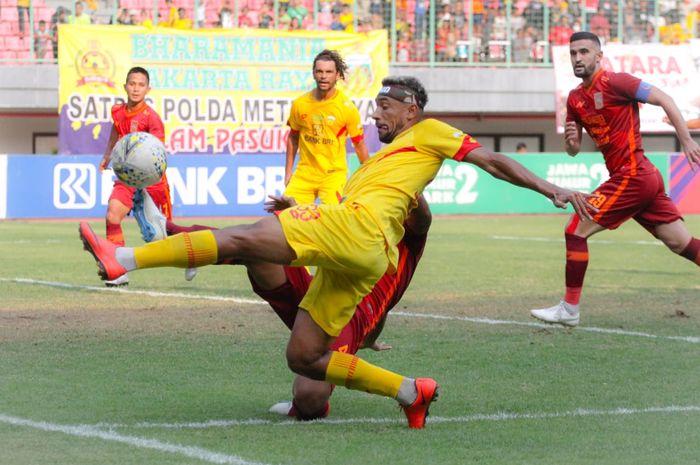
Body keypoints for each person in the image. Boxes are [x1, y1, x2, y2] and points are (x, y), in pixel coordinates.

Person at [79, 75, 592, 429]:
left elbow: (492, 161)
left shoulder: (431, 132)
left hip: (359, 233)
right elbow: (383, 205)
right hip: (358, 252)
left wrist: (551, 189)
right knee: (302, 356)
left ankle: (121, 260)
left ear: (411, 108)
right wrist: (301, 204)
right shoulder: (376, 167)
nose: (377, 113)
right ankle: (413, 392)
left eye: (386, 106)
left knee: (246, 240)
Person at [162, 195, 432, 420]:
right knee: (257, 249)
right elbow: (324, 231)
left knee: (309, 398)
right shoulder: (365, 217)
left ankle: (302, 407)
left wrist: (408, 177)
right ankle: (175, 236)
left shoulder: (410, 238)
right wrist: (294, 214)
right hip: (319, 289)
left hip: (349, 316)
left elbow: (423, 219)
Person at [530, 32, 700, 327]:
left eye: (584, 52)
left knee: (575, 230)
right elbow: (573, 151)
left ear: (599, 57)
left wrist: (685, 139)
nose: (577, 58)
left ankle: (569, 309)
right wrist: (571, 143)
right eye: (573, 53)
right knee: (680, 243)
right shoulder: (574, 99)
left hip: (633, 174)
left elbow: (665, 98)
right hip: (640, 178)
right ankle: (569, 309)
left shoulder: (617, 83)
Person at [99, 67, 171, 287]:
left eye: (141, 85)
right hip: (127, 178)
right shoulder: (118, 112)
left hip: (152, 181)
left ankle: (192, 259)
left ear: (148, 89)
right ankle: (118, 270)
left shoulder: (152, 119)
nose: (136, 88)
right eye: (132, 83)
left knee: (165, 235)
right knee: (112, 216)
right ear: (125, 86)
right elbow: (116, 131)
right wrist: (107, 156)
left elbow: (157, 151)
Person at [285, 50, 369, 205]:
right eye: (320, 71)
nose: (324, 76)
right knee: (284, 218)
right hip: (304, 175)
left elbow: (359, 144)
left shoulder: (347, 108)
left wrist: (368, 176)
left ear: (337, 75)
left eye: (329, 72)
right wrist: (288, 172)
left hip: (333, 176)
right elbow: (293, 137)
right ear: (314, 74)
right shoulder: (300, 104)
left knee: (333, 221)